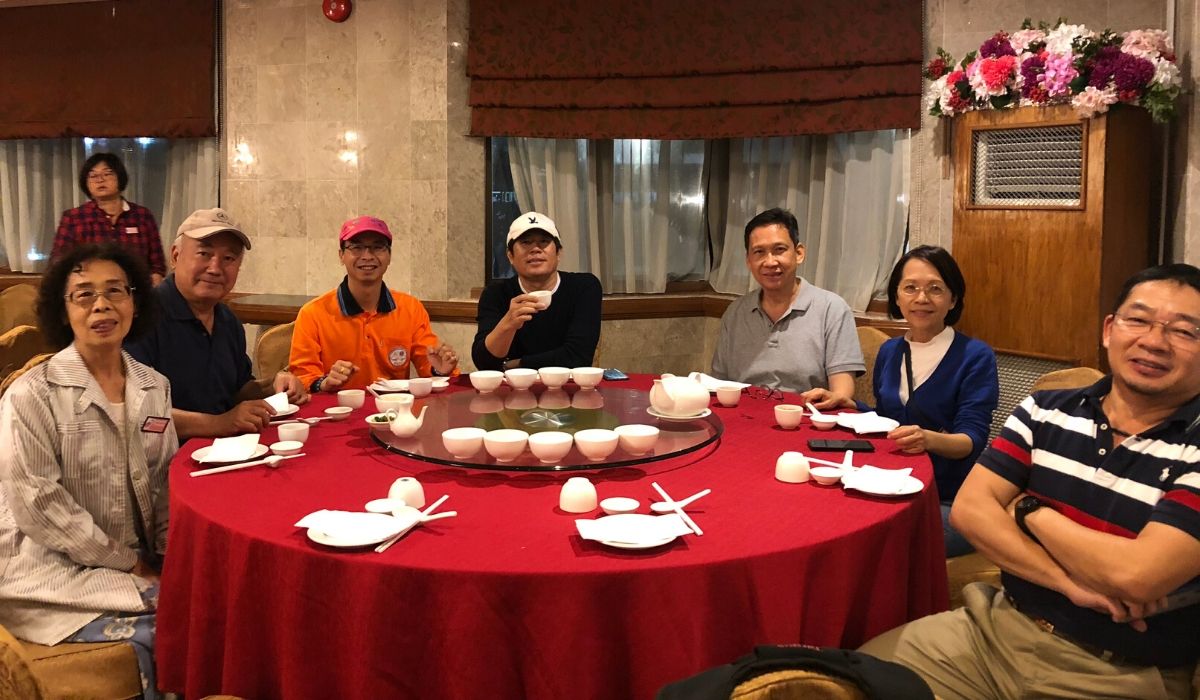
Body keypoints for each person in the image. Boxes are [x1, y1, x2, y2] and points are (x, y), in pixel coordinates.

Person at [860, 263, 1200, 699]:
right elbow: (970, 511)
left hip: (1119, 670)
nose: (1154, 341)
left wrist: (1027, 509)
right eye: (1138, 320)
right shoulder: (1044, 409)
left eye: (1183, 331)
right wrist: (1067, 582)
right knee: (852, 679)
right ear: (1109, 330)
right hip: (995, 631)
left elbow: (1136, 575)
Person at [0, 243, 173, 699]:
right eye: (84, 294)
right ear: (63, 309)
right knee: (181, 624)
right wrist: (131, 563)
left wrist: (170, 556)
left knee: (210, 601)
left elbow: (164, 481)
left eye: (115, 291)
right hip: (47, 570)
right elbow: (41, 506)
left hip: (134, 562)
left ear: (135, 301)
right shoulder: (31, 395)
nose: (101, 305)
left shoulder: (155, 387)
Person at [807, 246, 998, 556]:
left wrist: (928, 439)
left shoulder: (975, 356)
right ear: (897, 297)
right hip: (889, 484)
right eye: (910, 288)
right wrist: (850, 404)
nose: (921, 298)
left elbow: (971, 440)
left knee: (873, 541)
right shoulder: (891, 351)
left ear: (953, 299)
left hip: (947, 497)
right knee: (826, 517)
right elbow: (889, 417)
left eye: (935, 289)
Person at [126, 208, 307, 438]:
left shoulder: (228, 321)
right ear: (175, 256)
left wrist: (273, 384)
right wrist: (220, 423)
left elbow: (237, 390)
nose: (215, 268)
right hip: (165, 457)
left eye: (228, 258)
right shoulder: (141, 318)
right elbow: (138, 416)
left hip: (226, 449)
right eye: (204, 253)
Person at [289, 216, 459, 393]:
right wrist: (324, 383)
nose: (367, 256)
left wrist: (440, 370)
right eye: (356, 247)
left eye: (377, 247)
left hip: (394, 407)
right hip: (337, 408)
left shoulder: (410, 308)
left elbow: (429, 365)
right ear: (341, 256)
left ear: (389, 256)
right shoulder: (312, 314)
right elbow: (302, 377)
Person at [711, 207, 864, 404]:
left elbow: (842, 393)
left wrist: (831, 399)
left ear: (799, 253)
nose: (770, 262)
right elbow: (718, 383)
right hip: (744, 414)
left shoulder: (832, 309)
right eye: (759, 252)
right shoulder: (736, 312)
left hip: (806, 414)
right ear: (748, 260)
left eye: (779, 250)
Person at [472, 212, 602, 371]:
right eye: (526, 242)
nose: (535, 249)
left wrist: (516, 364)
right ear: (510, 256)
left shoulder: (584, 287)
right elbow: (484, 363)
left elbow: (578, 357)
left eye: (544, 241)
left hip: (568, 384)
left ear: (558, 253)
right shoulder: (496, 293)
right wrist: (508, 324)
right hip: (513, 385)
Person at [51, 152, 168, 285]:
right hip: (91, 289)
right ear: (86, 183)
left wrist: (151, 288)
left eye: (107, 174)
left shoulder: (142, 216)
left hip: (136, 289)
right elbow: (58, 263)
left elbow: (157, 265)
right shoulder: (74, 218)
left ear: (120, 178)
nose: (100, 180)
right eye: (93, 176)